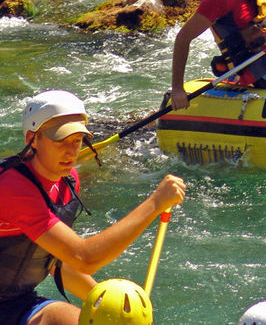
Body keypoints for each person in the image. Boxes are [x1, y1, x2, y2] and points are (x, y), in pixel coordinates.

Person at [0, 90, 185, 325]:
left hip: (19, 302)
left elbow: (56, 260)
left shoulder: (67, 180)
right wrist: (156, 202)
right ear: (31, 139)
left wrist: (108, 310)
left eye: (77, 140)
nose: (71, 151)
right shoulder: (11, 187)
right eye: (60, 140)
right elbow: (83, 258)